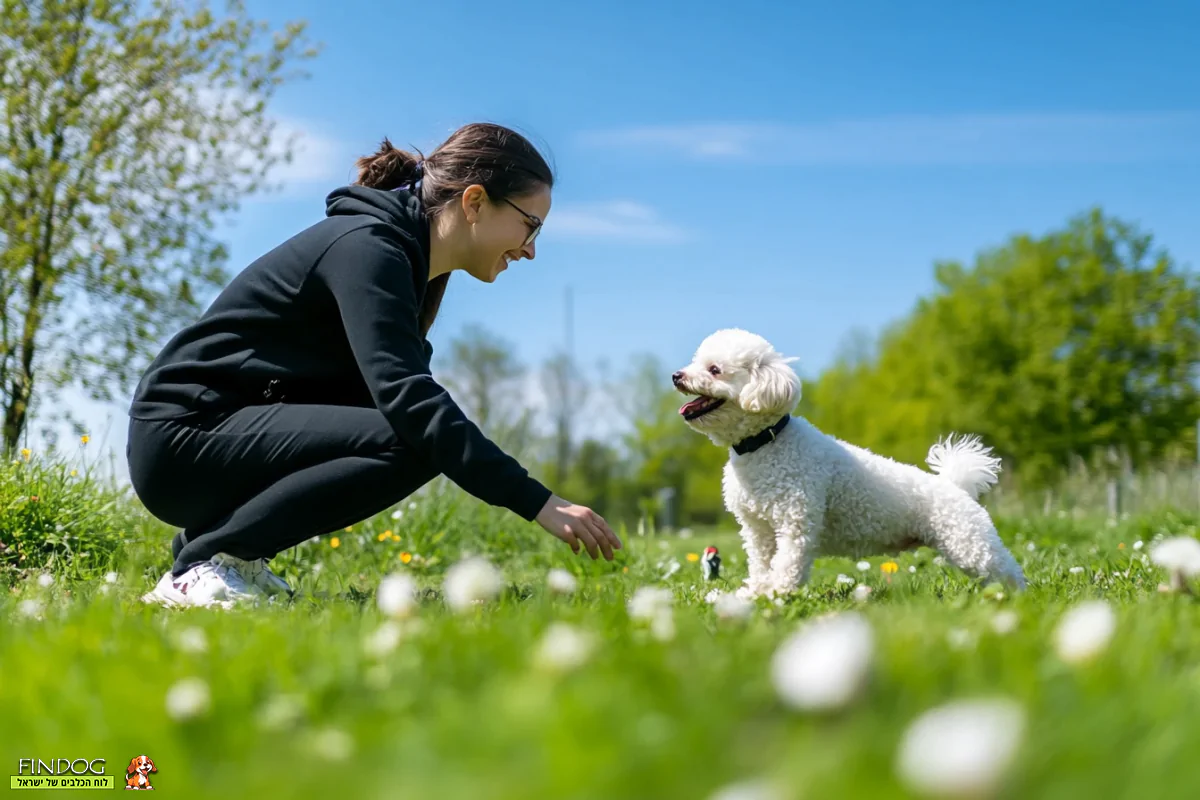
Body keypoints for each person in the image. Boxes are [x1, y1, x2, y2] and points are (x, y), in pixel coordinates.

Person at [127, 122, 622, 609]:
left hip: (221, 438)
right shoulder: (369, 246)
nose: (532, 249)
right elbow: (409, 400)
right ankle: (208, 562)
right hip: (181, 438)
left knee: (413, 433)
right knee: (415, 439)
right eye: (529, 224)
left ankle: (226, 555)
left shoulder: (409, 265)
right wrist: (537, 501)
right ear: (474, 202)